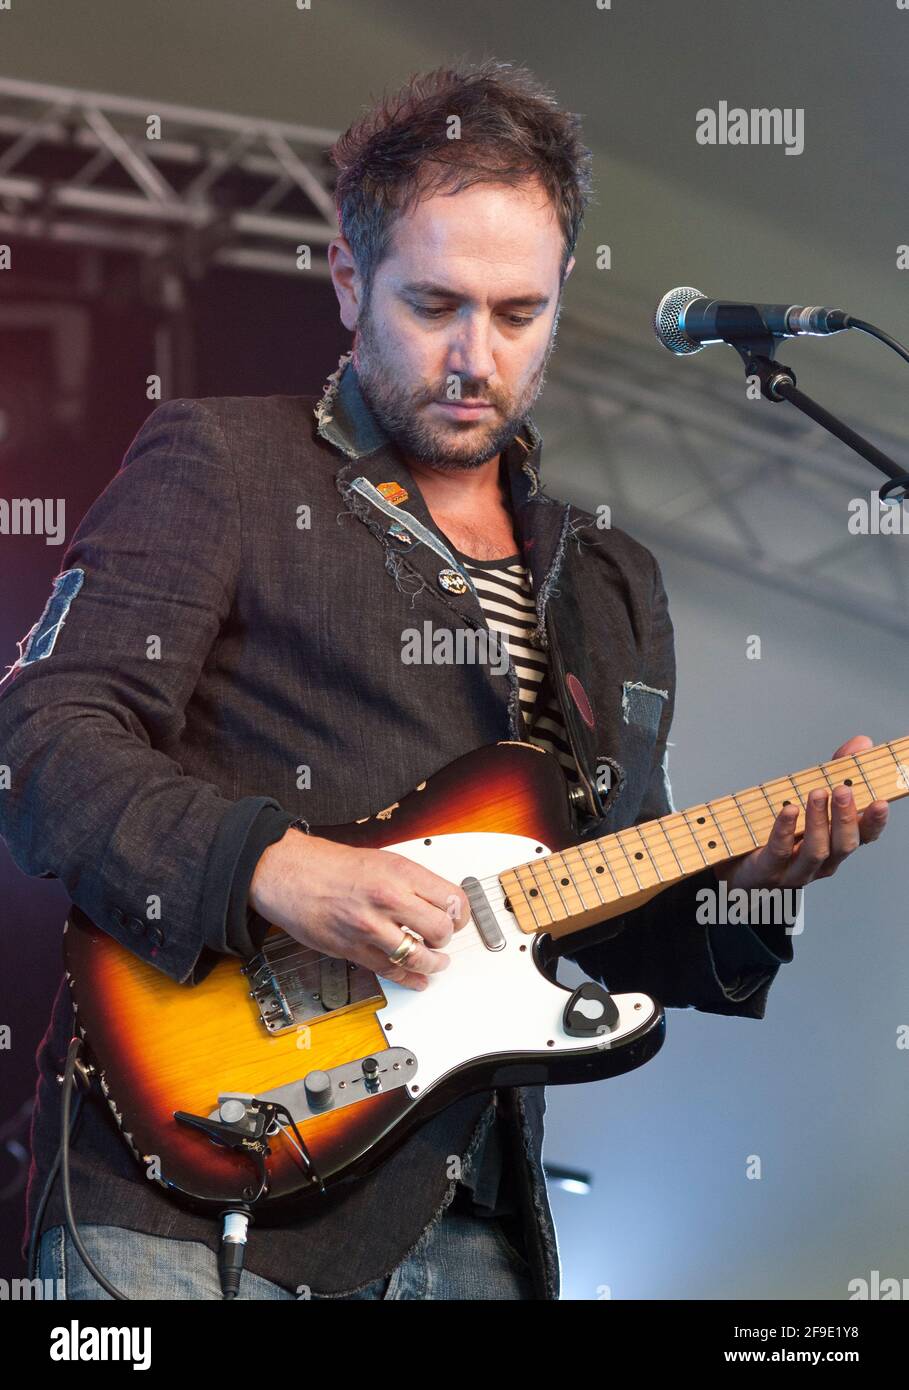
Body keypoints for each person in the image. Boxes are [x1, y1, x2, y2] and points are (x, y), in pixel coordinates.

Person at [0, 59, 887, 1302]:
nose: (476, 356)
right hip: (195, 1196)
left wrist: (749, 882)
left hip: (477, 1223)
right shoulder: (225, 466)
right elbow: (39, 739)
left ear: (564, 295)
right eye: (436, 305)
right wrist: (270, 864)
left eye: (519, 313)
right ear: (350, 282)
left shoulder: (609, 580)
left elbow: (608, 901)